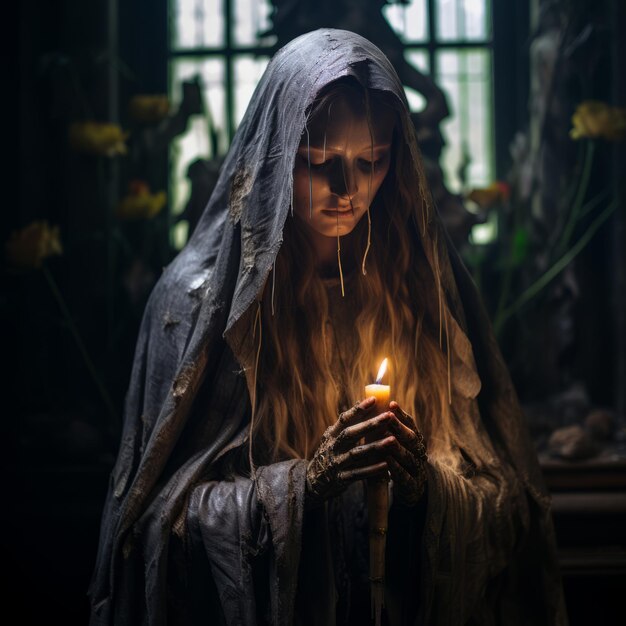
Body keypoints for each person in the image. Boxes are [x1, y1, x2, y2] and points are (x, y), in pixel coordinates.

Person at [89, 29, 568, 626]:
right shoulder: (197, 306)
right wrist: (304, 489)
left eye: (373, 162)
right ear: (272, 155)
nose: (349, 191)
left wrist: (425, 492)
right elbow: (153, 534)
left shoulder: (417, 292)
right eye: (319, 164)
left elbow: (501, 500)